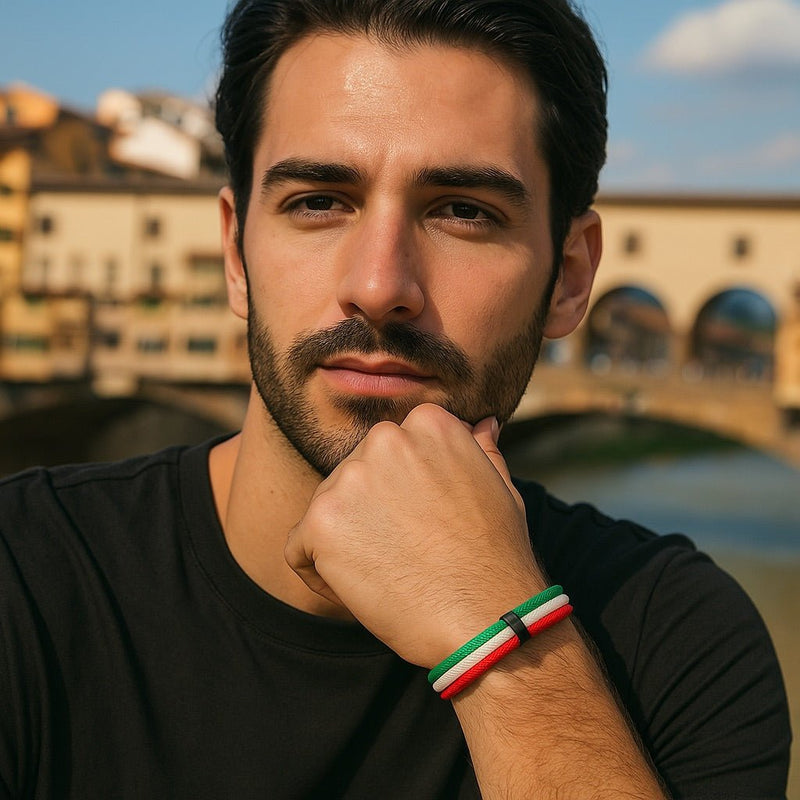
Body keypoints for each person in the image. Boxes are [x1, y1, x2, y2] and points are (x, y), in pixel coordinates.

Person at [0, 0, 791, 797]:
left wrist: (506, 646)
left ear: (572, 277)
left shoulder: (678, 645)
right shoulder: (21, 575)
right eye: (318, 201)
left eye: (463, 212)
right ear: (235, 255)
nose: (379, 287)